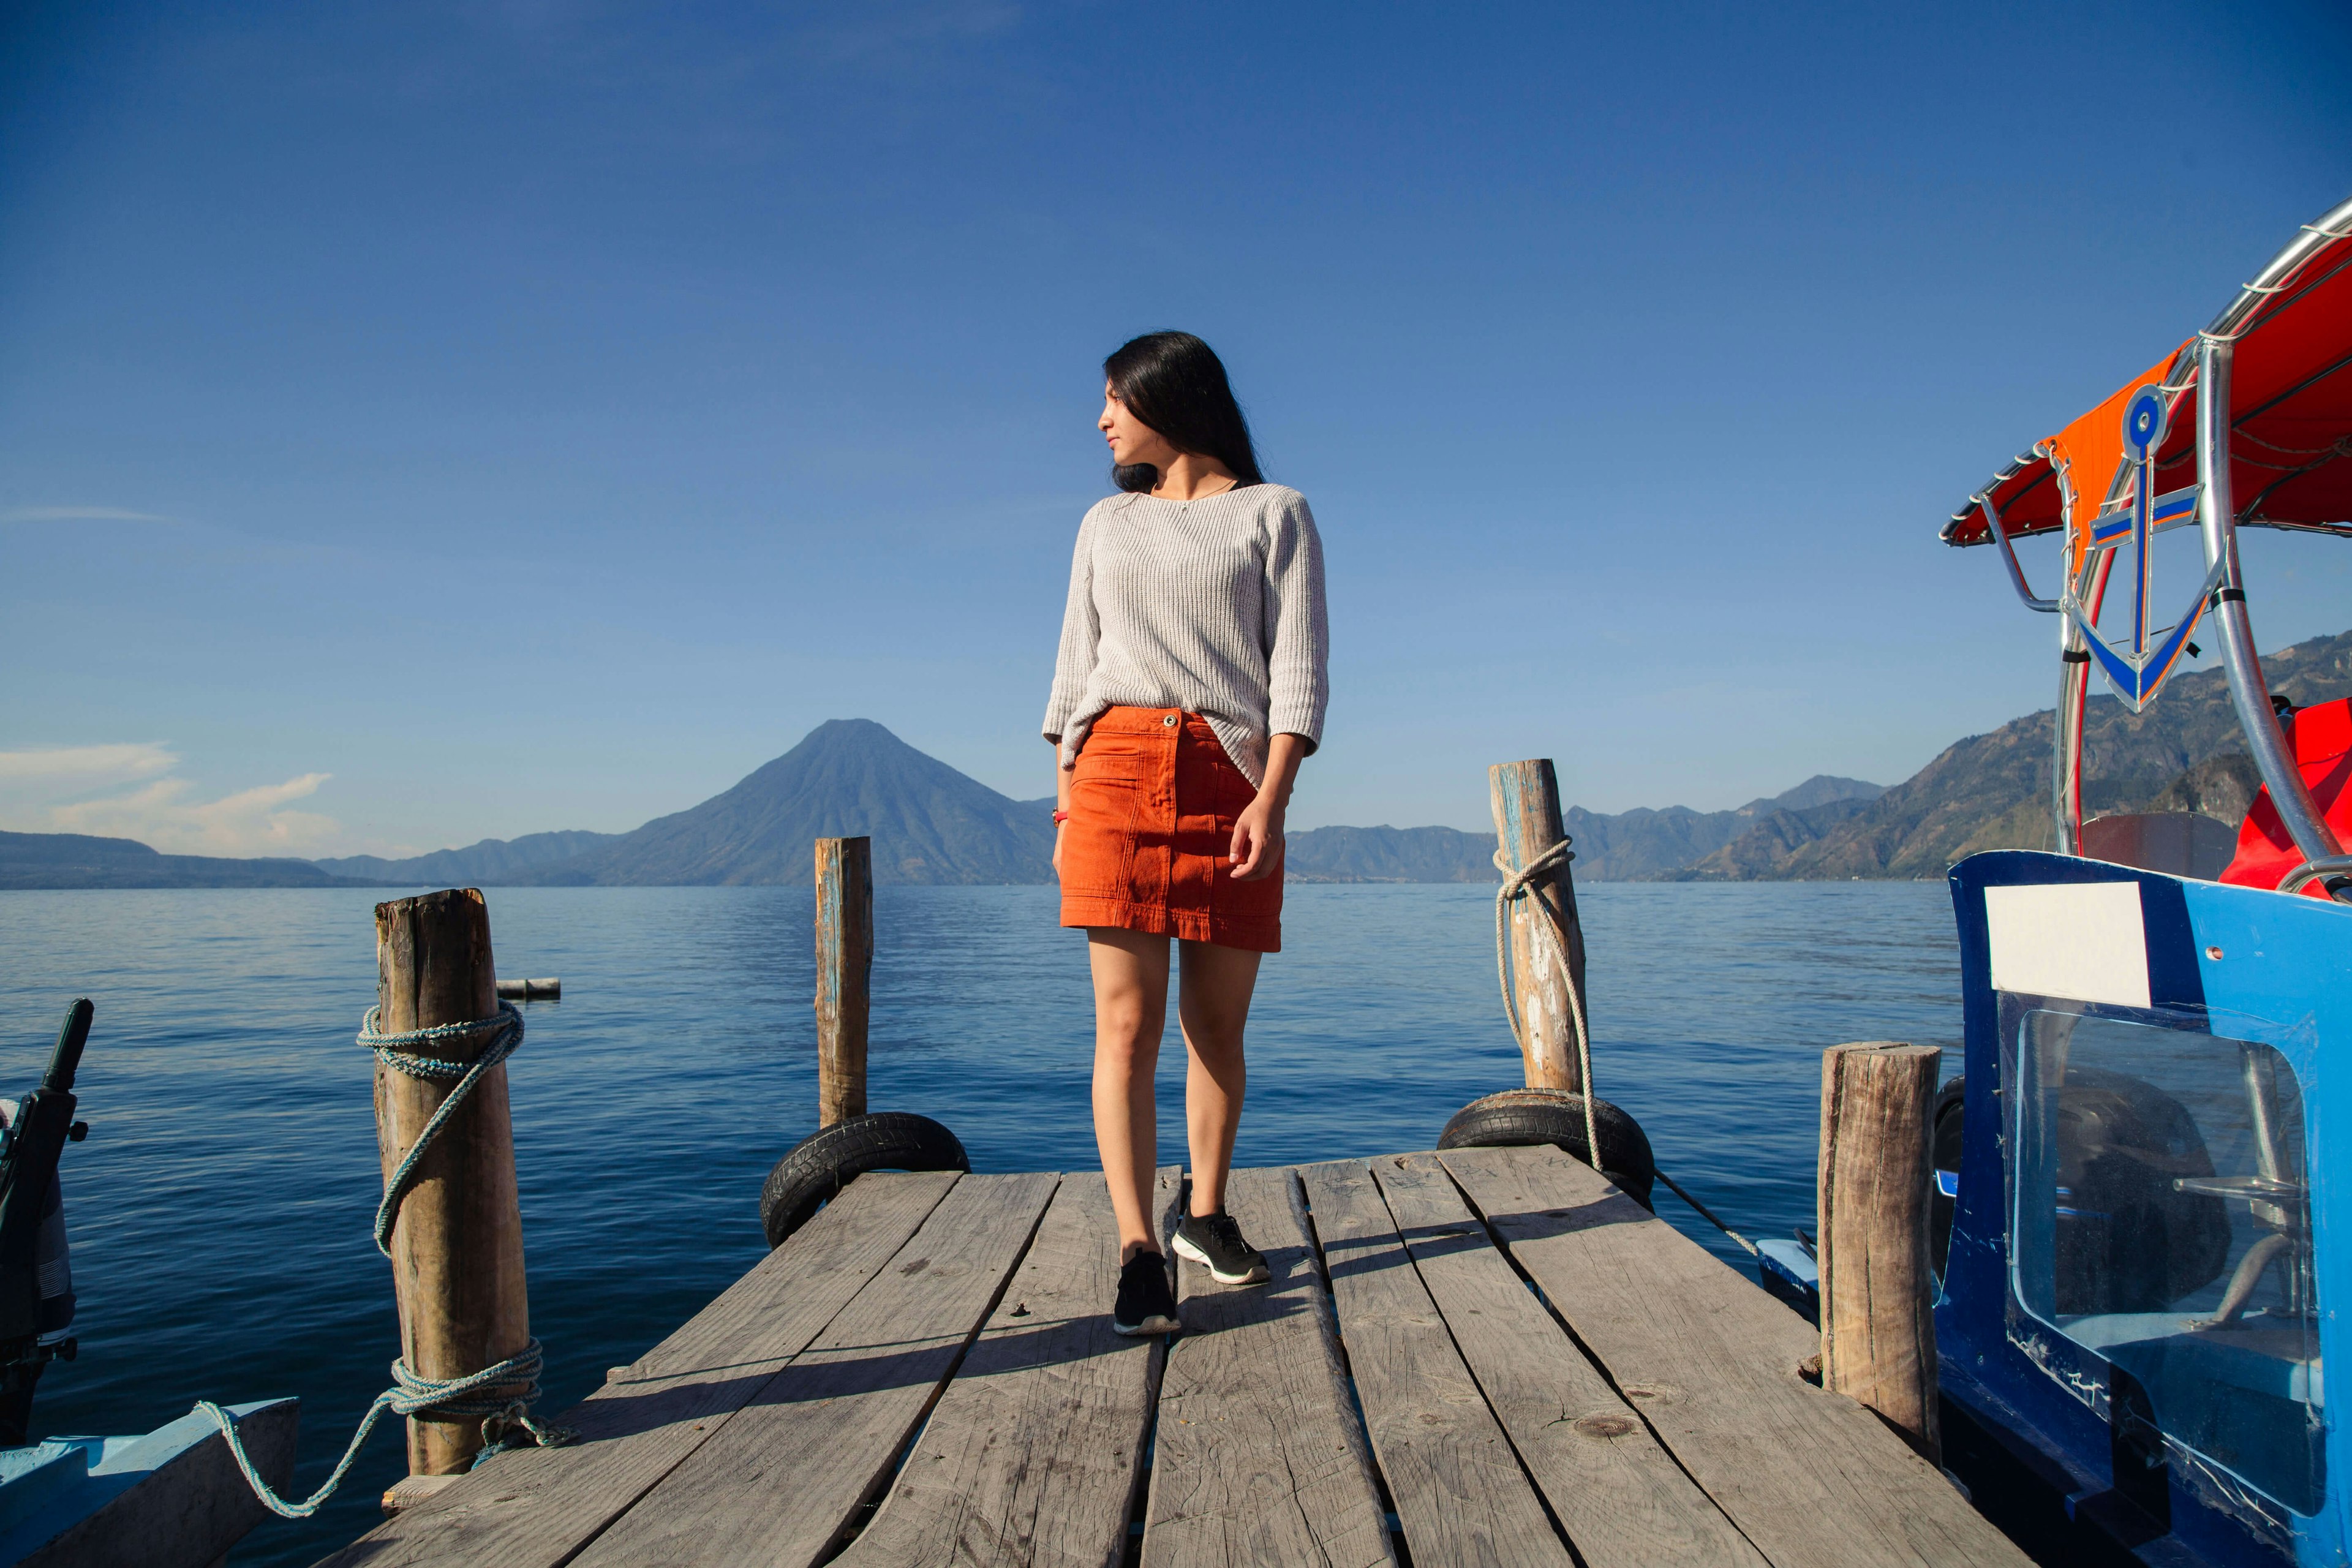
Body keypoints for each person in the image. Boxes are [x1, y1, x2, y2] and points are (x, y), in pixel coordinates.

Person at [1042, 331, 1330, 1336]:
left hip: (1232, 776)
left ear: (1168, 396)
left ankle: (1203, 1215)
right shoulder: (1104, 524)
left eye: (1114, 396)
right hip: (1114, 770)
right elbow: (1076, 672)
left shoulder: (1275, 514)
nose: (1101, 418)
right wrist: (1068, 794)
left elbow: (1296, 669)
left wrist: (1272, 798)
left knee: (1216, 1028)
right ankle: (1135, 1250)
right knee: (1124, 1027)